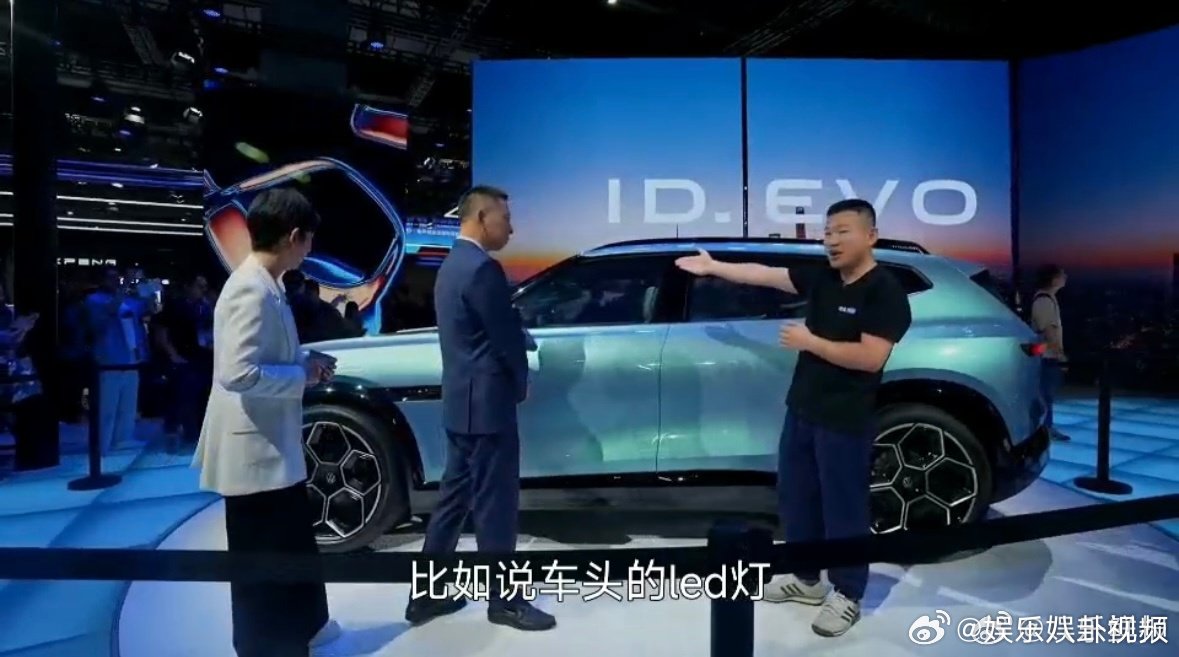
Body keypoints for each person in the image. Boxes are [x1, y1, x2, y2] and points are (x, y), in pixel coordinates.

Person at [675, 199, 911, 638]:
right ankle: (805, 578)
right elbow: (765, 274)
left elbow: (870, 358)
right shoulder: (824, 278)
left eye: (842, 231)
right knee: (797, 497)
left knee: (843, 506)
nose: (831, 240)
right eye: (827, 232)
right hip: (802, 408)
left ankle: (848, 592)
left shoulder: (885, 291)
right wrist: (714, 267)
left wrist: (810, 341)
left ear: (870, 236)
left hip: (844, 417)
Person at [192, 187, 342, 657]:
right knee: (262, 554)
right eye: (309, 239)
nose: (310, 250)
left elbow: (264, 354)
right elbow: (237, 373)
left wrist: (304, 361)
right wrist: (301, 375)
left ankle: (304, 627)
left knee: (289, 542)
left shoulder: (267, 284)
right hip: (253, 450)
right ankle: (267, 646)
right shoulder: (250, 289)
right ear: (293, 236)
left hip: (270, 445)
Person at [404, 185, 555, 631]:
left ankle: (425, 596)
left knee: (452, 503)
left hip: (461, 404)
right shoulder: (484, 269)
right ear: (482, 217)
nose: (512, 228)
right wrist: (520, 381)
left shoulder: (452, 265)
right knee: (496, 506)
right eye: (506, 218)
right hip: (488, 407)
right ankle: (503, 601)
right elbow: (504, 338)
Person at [83, 267, 144, 453]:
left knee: (128, 403)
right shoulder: (93, 300)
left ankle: (123, 439)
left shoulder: (129, 299)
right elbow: (110, 311)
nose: (116, 280)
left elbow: (147, 309)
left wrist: (149, 293)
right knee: (107, 405)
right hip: (109, 358)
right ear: (101, 280)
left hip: (131, 356)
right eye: (111, 277)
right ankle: (103, 443)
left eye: (118, 277)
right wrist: (126, 285)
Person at [1030, 264, 1070, 442]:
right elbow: (1048, 330)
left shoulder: (1048, 299)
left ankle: (1047, 427)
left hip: (1047, 355)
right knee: (1045, 395)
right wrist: (1060, 354)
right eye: (1062, 274)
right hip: (1047, 356)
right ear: (1053, 280)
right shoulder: (1044, 301)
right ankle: (1043, 430)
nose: (1065, 277)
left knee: (1047, 395)